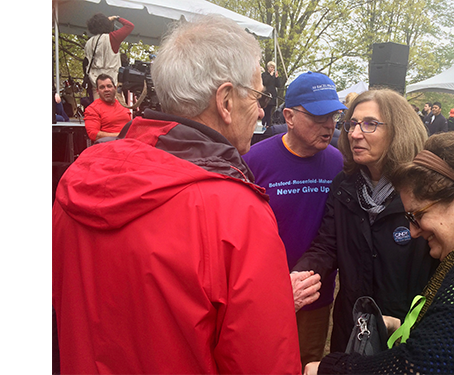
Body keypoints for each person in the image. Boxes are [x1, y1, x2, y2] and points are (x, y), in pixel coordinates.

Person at [52, 14, 301, 374]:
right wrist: (271, 301)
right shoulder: (235, 212)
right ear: (226, 101)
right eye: (259, 94)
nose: (262, 109)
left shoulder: (74, 182)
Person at [304, 131, 454, 375]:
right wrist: (407, 330)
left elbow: (428, 366)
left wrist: (331, 369)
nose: (412, 232)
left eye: (417, 215)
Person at [292, 88, 436, 355]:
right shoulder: (344, 185)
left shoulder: (424, 191)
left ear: (398, 130)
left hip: (406, 332)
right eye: (352, 124)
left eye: (370, 124)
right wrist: (299, 276)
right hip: (352, 327)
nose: (355, 134)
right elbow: (327, 246)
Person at [243, 71, 347, 368]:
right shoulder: (254, 160)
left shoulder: (338, 162)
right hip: (263, 295)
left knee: (307, 363)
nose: (329, 126)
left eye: (334, 116)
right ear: (289, 116)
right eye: (319, 117)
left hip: (317, 293)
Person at [84, 14, 134, 99]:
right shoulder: (112, 38)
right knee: (116, 110)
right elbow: (130, 26)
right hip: (112, 82)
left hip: (95, 83)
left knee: (99, 110)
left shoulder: (88, 43)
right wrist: (117, 18)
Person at [83, 74, 132, 141]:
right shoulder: (92, 109)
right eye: (102, 87)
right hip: (108, 146)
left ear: (115, 88)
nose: (106, 90)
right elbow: (93, 134)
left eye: (109, 86)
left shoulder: (123, 105)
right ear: (97, 91)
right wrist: (121, 136)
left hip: (129, 143)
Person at [262, 61, 284, 127]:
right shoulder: (264, 75)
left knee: (270, 110)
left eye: (273, 67)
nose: (272, 69)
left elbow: (278, 85)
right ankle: (263, 123)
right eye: (271, 67)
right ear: (268, 67)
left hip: (272, 95)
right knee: (265, 110)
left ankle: (268, 124)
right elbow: (264, 82)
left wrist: (277, 78)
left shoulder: (274, 76)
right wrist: (270, 75)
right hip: (266, 94)